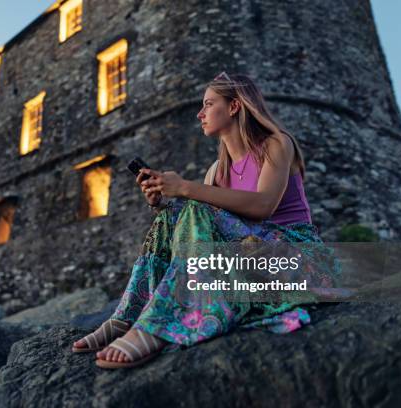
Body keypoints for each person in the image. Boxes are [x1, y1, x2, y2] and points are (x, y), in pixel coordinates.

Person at [72, 72, 337, 369]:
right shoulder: (217, 171)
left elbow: (263, 206)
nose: (200, 113)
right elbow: (214, 226)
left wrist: (185, 187)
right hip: (249, 256)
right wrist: (161, 203)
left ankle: (158, 326)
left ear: (235, 106)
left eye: (209, 104)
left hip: (294, 255)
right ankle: (128, 314)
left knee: (196, 207)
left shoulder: (277, 144)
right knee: (174, 214)